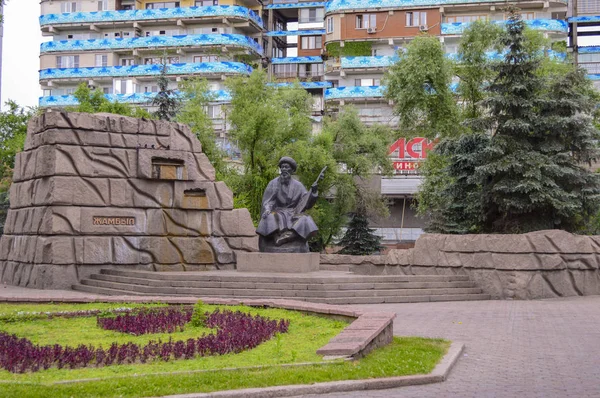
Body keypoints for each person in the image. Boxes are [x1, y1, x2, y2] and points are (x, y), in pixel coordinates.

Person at [256, 157, 321, 248]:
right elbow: (268, 201)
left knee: (306, 219)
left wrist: (313, 192)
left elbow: (306, 202)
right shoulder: (273, 183)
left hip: (293, 213)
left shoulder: (299, 185)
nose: (284, 169)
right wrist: (267, 209)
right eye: (282, 167)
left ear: (292, 170)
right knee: (269, 217)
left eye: (287, 167)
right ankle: (275, 237)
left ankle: (286, 237)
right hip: (278, 212)